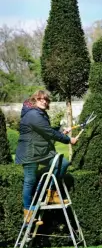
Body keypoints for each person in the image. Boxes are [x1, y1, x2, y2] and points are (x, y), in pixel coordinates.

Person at [15, 90, 78, 221]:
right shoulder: (33, 114)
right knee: (29, 181)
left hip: (42, 151)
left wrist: (61, 131)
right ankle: (28, 212)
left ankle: (50, 193)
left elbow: (45, 130)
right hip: (30, 152)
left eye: (46, 100)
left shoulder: (40, 113)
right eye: (40, 99)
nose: (44, 101)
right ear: (34, 100)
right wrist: (68, 140)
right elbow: (48, 132)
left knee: (63, 163)